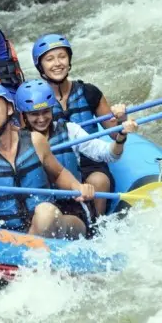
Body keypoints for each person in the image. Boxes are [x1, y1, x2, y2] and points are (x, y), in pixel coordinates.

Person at [0, 84, 95, 239]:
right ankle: (24, 247)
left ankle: (28, 246)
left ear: (10, 109)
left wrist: (77, 186)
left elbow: (58, 174)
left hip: (49, 226)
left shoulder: (35, 140)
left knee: (46, 213)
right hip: (6, 236)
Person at [15, 79, 138, 225]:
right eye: (34, 114)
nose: (41, 119)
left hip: (72, 207)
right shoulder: (16, 142)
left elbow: (108, 153)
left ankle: (93, 228)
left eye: (46, 111)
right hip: (36, 210)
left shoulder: (70, 130)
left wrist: (121, 136)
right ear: (24, 116)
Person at [31, 33, 129, 215]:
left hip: (91, 162)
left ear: (69, 61)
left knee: (99, 181)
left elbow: (115, 133)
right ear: (41, 66)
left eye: (62, 57)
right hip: (57, 164)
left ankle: (96, 226)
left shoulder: (89, 92)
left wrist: (121, 119)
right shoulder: (34, 100)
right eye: (49, 59)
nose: (57, 63)